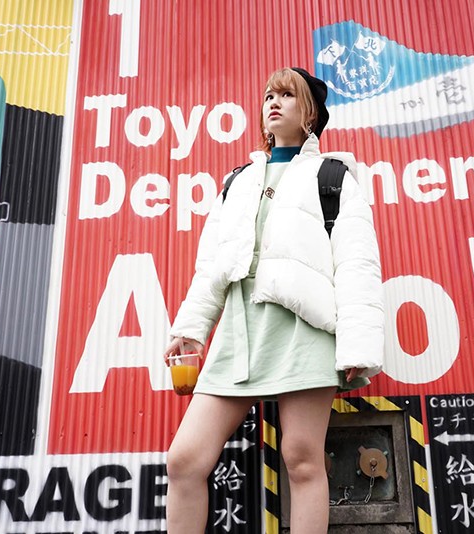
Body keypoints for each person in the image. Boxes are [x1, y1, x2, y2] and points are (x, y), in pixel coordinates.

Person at [163, 67, 384, 533]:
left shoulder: (334, 176)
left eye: (287, 94)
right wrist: (190, 330)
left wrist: (358, 349)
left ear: (311, 114)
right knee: (184, 460)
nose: (274, 103)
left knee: (302, 460)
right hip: (239, 335)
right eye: (268, 95)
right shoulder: (237, 181)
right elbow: (212, 266)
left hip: (304, 334)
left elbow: (357, 266)